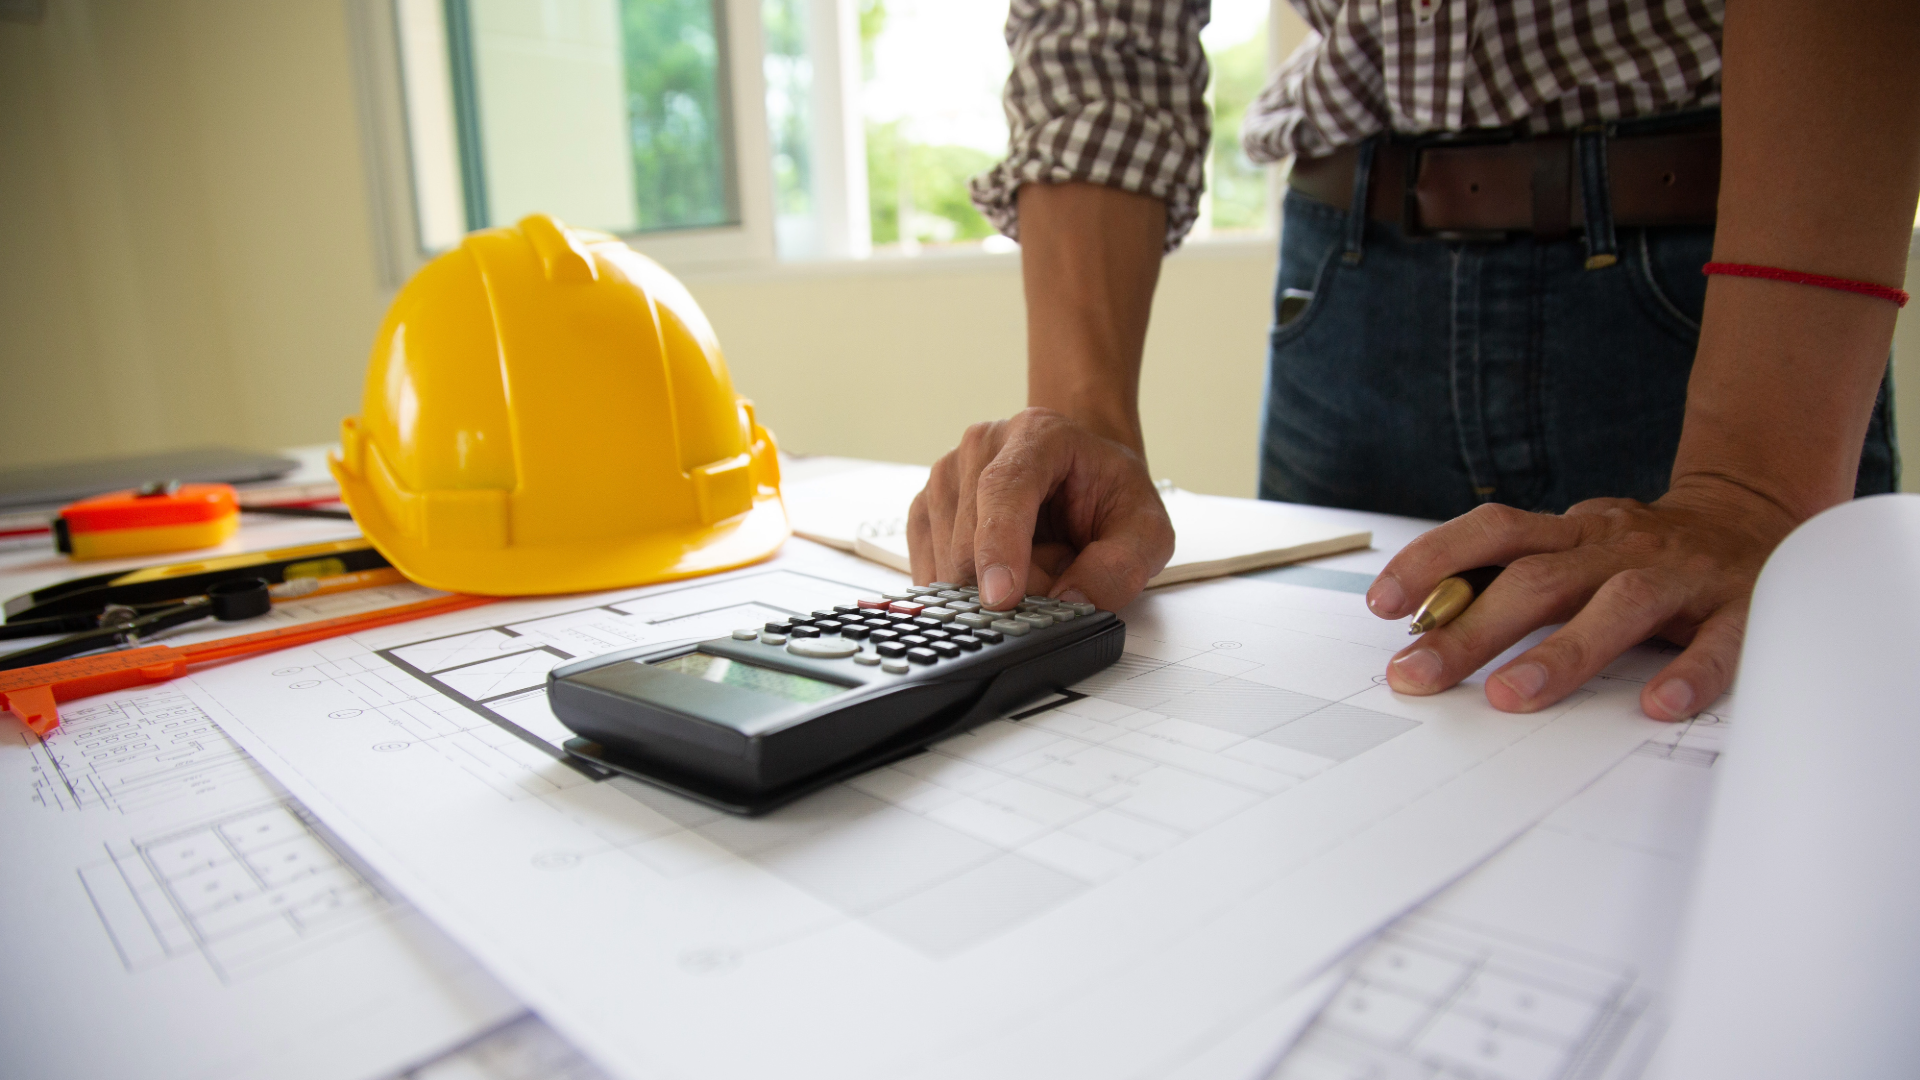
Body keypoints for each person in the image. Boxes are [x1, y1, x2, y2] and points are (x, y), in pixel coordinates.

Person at [906, 0, 1919, 720]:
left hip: (1729, 283)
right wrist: (1084, 422)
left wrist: (1754, 484)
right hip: (1351, 290)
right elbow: (1100, 29)